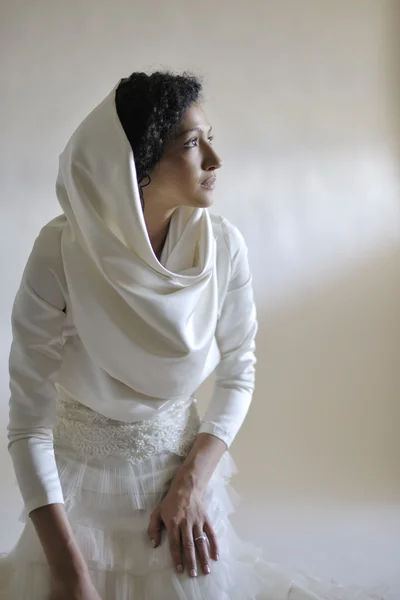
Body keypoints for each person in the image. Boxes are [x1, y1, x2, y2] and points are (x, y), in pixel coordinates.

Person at [0, 71, 387, 600]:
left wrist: (189, 486)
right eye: (190, 144)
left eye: (211, 139)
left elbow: (238, 370)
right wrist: (69, 572)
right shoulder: (58, 253)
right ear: (136, 169)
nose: (214, 160)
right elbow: (27, 423)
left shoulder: (224, 248)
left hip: (179, 488)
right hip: (76, 504)